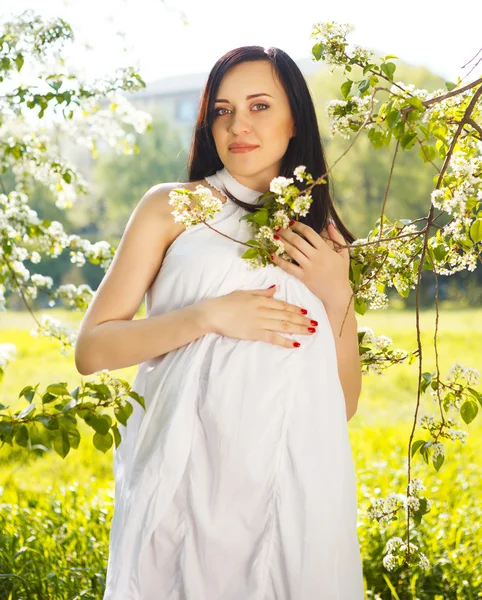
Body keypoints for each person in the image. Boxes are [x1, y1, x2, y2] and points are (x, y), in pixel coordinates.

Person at [75, 45, 364, 600]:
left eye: (259, 106)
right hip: (186, 474)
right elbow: (92, 350)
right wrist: (209, 315)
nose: (238, 126)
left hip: (289, 482)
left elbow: (343, 403)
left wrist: (337, 293)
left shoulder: (321, 239)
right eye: (222, 110)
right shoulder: (173, 207)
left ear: (294, 119)